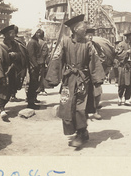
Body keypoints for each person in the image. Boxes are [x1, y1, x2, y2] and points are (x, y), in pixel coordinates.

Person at [45, 14, 105, 148]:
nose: (85, 29)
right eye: (83, 27)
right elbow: (56, 58)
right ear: (75, 29)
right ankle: (81, 132)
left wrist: (97, 79)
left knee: (80, 108)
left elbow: (94, 61)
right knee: (67, 108)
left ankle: (81, 132)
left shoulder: (88, 44)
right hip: (68, 80)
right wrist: (53, 78)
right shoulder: (64, 42)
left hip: (83, 80)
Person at [0, 25, 22, 120]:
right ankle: (2, 109)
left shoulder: (15, 45)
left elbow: (20, 55)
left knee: (10, 90)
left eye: (14, 33)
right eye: (11, 33)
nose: (14, 35)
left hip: (12, 71)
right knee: (1, 89)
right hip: (2, 71)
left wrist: (15, 55)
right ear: (6, 35)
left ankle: (3, 106)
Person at [85, 27, 103, 120]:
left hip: (95, 72)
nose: (90, 37)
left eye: (92, 36)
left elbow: (102, 56)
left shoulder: (96, 45)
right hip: (85, 73)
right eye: (89, 35)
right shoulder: (82, 45)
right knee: (85, 93)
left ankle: (96, 111)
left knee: (97, 92)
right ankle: (85, 113)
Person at [115, 30, 131, 106]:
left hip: (130, 66)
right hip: (123, 66)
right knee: (122, 83)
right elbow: (118, 54)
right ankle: (120, 97)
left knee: (129, 84)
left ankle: (127, 99)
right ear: (128, 37)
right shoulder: (121, 44)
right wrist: (126, 52)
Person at [26, 28, 42, 109]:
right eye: (37, 33)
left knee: (34, 84)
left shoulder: (35, 42)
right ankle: (30, 103)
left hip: (35, 66)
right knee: (32, 84)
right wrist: (36, 66)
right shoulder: (32, 43)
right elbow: (32, 56)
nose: (39, 34)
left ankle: (31, 101)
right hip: (33, 67)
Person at [36, 29, 49, 95]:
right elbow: (45, 54)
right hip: (41, 63)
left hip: (33, 63)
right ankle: (40, 89)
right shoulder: (43, 43)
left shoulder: (32, 42)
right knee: (41, 77)